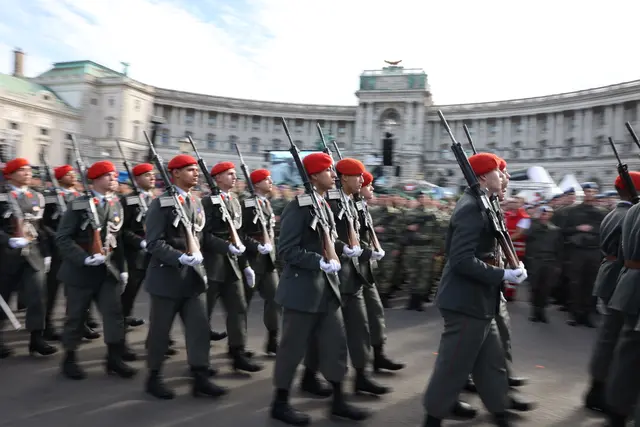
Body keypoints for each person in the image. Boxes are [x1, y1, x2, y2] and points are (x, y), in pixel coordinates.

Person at [422, 153, 528, 427]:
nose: (505, 177)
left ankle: (500, 412)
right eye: (499, 172)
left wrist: (509, 267)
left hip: (481, 298)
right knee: (453, 366)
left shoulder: (487, 203)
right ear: (482, 177)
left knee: (491, 362)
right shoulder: (471, 207)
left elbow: (492, 247)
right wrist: (502, 274)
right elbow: (461, 260)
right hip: (465, 300)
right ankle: (432, 418)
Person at [270, 152, 369, 426]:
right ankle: (280, 402)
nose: (333, 174)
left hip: (328, 291)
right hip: (301, 291)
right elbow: (287, 250)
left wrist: (343, 250)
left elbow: (329, 243)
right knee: (292, 349)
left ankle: (338, 401)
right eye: (328, 170)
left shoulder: (324, 205)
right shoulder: (299, 206)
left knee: (335, 345)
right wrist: (319, 262)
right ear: (313, 175)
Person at [143, 154, 227, 399]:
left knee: (199, 329)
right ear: (176, 173)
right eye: (190, 170)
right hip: (166, 279)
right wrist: (179, 257)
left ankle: (199, 375)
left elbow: (200, 236)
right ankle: (154, 376)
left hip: (193, 279)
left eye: (196, 170)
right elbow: (153, 242)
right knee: (160, 332)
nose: (196, 173)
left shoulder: (196, 202)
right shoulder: (162, 203)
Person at [56, 160, 134, 380]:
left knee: (114, 315)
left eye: (115, 176)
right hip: (80, 272)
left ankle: (114, 359)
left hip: (108, 271)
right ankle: (69, 359)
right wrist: (83, 258)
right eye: (109, 176)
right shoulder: (78, 204)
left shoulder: (116, 203)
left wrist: (123, 268)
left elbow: (116, 239)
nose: (114, 179)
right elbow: (62, 237)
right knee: (75, 317)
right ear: (97, 179)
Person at [584, 171, 638, 412]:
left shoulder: (613, 212)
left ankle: (599, 388)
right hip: (621, 279)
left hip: (610, 276)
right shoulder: (630, 214)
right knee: (616, 340)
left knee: (609, 337)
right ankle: (605, 394)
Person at [201, 161, 261, 372]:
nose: (234, 178)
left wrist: (245, 264)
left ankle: (237, 352)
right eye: (229, 174)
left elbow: (239, 235)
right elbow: (203, 235)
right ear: (217, 178)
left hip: (233, 266)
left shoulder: (235, 201)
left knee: (238, 308)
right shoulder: (208, 202)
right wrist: (225, 247)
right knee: (202, 313)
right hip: (212, 265)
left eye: (235, 174)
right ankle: (199, 360)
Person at [0, 157, 57, 358]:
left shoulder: (36, 196)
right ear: (11, 174)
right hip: (6, 255)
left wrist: (47, 253)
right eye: (22, 170)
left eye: (28, 170)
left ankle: (36, 338)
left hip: (33, 253)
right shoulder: (2, 196)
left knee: (37, 296)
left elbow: (39, 228)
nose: (27, 173)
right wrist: (7, 240)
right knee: (4, 297)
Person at [357, 171, 405, 372]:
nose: (372, 189)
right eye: (368, 185)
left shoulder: (363, 208)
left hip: (365, 270)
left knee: (376, 312)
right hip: (348, 272)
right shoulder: (345, 207)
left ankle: (378, 355)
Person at [240, 168, 280, 356]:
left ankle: (273, 340)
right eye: (266, 179)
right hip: (251, 260)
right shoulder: (248, 204)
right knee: (242, 303)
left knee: (275, 299)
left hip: (268, 262)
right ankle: (238, 345)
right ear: (256, 184)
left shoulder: (266, 203)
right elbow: (240, 234)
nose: (270, 182)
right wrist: (256, 246)